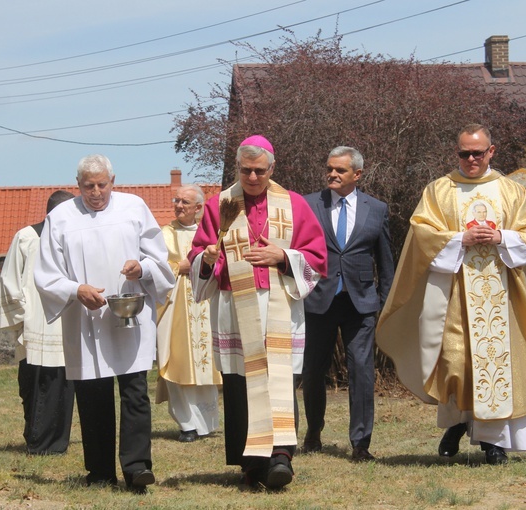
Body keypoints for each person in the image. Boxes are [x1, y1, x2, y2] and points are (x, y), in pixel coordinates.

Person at [376, 124, 526, 465]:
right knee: (456, 362)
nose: (470, 159)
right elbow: (422, 234)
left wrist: (501, 239)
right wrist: (459, 240)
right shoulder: (439, 190)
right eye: (464, 153)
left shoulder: (510, 191)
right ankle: (458, 421)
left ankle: (493, 442)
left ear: (491, 152)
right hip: (453, 293)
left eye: (477, 153)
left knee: (496, 363)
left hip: (501, 292)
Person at [188, 135, 327, 489]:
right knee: (240, 383)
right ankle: (251, 465)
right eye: (246, 170)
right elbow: (200, 256)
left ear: (272, 168)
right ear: (238, 168)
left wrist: (282, 257)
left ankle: (281, 457)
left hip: (280, 303)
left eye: (259, 171)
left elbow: (317, 257)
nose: (252, 178)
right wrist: (206, 261)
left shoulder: (293, 204)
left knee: (280, 379)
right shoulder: (219, 205)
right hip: (235, 307)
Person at [34, 154, 175, 490]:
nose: (95, 192)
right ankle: (99, 470)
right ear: (77, 185)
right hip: (85, 318)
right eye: (88, 186)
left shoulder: (134, 207)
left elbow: (158, 257)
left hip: (130, 312)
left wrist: (142, 269)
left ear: (113, 181)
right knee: (93, 393)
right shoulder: (61, 217)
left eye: (102, 185)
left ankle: (137, 466)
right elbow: (46, 272)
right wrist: (74, 288)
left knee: (134, 391)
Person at [301, 146, 394, 462]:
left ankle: (360, 444)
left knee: (361, 371)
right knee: (313, 371)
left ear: (357, 174)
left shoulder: (377, 209)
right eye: (329, 168)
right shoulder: (309, 204)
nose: (332, 174)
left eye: (340, 170)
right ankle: (314, 432)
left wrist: (385, 302)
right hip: (319, 299)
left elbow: (386, 260)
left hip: (361, 302)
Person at [0, 190, 76, 455]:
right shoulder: (27, 238)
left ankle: (58, 443)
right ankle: (36, 441)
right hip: (36, 325)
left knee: (64, 386)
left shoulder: (75, 241)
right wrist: (23, 319)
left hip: (67, 326)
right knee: (35, 385)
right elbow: (9, 280)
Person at [156, 184, 222, 443]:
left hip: (206, 302)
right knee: (178, 360)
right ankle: (186, 424)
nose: (179, 206)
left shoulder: (211, 235)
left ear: (198, 208)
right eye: (177, 201)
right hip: (174, 306)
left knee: (208, 363)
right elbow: (154, 266)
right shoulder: (163, 234)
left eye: (185, 202)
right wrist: (176, 266)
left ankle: (205, 422)